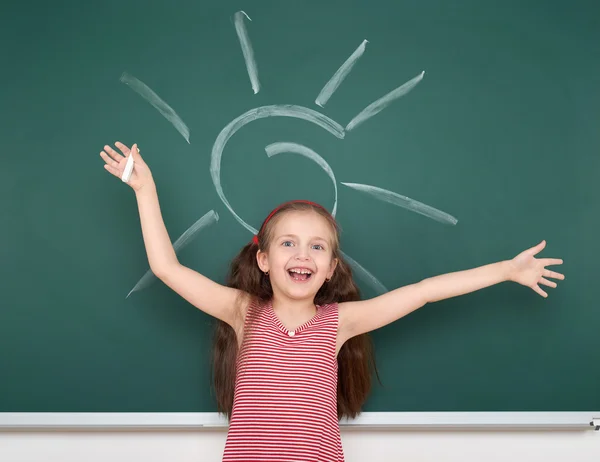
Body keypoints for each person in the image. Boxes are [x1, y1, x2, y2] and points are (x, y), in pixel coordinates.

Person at [100, 141, 565, 461]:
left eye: (317, 247)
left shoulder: (338, 322)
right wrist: (146, 190)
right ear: (263, 259)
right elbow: (167, 269)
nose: (302, 255)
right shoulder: (243, 312)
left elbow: (424, 293)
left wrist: (506, 270)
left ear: (331, 269)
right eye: (288, 245)